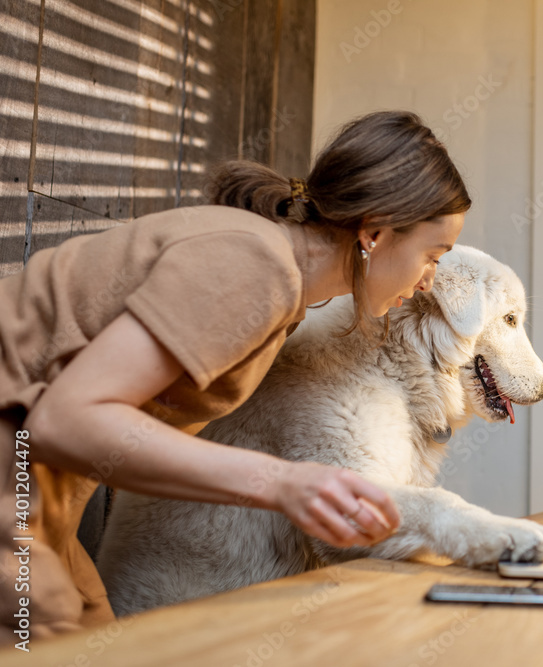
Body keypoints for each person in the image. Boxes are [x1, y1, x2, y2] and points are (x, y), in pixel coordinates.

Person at [0, 110, 470, 640]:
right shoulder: (256, 266)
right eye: (433, 255)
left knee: (91, 637)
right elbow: (64, 420)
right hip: (19, 463)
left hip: (39, 486)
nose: (430, 280)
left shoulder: (280, 290)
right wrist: (284, 482)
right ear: (376, 232)